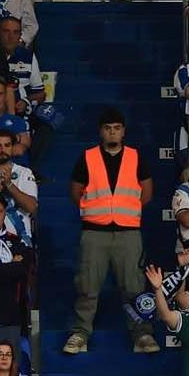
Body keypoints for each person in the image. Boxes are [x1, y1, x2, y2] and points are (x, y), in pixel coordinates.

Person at [66, 108, 155, 355]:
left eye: (117, 127)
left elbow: (146, 193)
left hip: (128, 233)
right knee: (87, 286)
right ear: (101, 131)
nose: (112, 132)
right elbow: (76, 192)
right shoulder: (88, 157)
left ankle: (142, 334)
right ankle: (80, 333)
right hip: (94, 232)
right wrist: (96, 209)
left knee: (134, 286)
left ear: (123, 131)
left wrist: (125, 209)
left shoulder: (136, 157)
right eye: (108, 128)